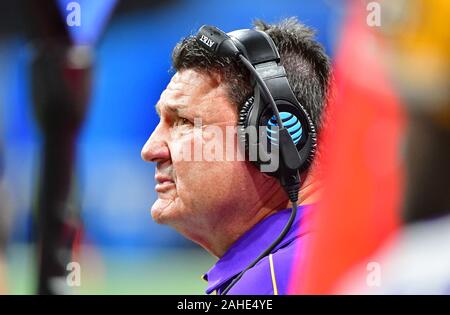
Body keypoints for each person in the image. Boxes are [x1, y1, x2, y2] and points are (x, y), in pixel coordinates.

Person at [141, 18, 330, 295]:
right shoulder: (318, 255)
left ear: (272, 135)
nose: (149, 149)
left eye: (182, 122)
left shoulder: (277, 280)